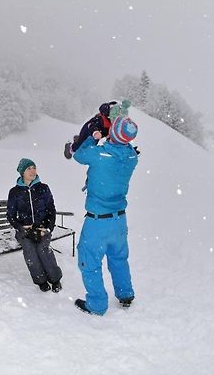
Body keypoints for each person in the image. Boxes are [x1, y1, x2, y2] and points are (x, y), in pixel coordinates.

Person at [73, 115, 139, 315]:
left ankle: (97, 304)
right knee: (118, 258)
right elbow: (121, 148)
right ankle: (125, 294)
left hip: (98, 221)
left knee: (89, 260)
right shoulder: (131, 157)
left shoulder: (99, 154)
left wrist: (93, 137)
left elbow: (78, 155)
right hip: (119, 220)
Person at [7, 158, 63, 293]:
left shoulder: (43, 188)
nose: (33, 171)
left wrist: (48, 228)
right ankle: (41, 280)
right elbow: (10, 215)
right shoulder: (15, 192)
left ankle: (55, 279)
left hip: (42, 227)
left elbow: (51, 210)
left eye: (34, 167)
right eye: (29, 168)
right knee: (30, 250)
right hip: (24, 229)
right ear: (22, 172)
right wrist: (21, 228)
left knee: (43, 249)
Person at [64, 100, 131, 159]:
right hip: (88, 131)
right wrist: (95, 131)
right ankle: (70, 148)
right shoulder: (101, 120)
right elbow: (91, 125)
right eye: (115, 118)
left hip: (99, 135)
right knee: (79, 145)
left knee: (90, 147)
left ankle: (79, 140)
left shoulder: (116, 125)